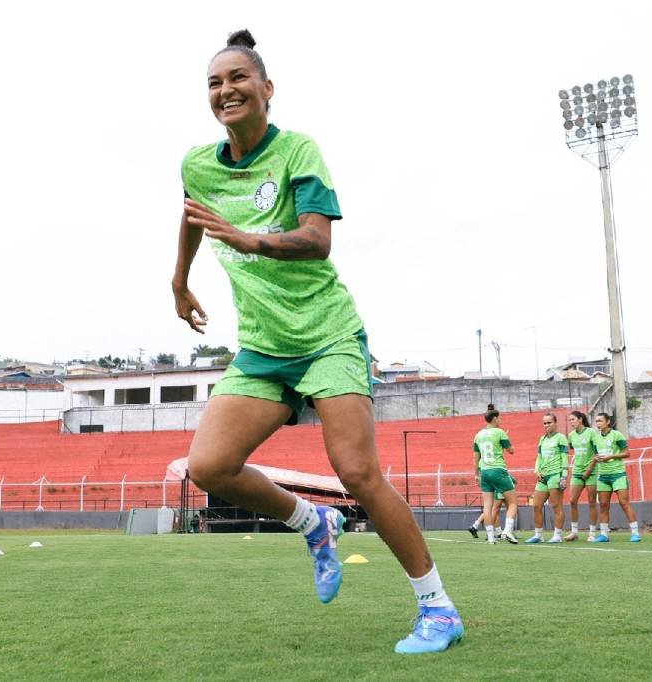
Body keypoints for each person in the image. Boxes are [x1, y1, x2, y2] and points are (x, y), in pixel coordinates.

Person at [173, 29, 462, 655]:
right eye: (215, 83)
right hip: (261, 346)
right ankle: (314, 522)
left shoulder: (298, 150)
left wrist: (249, 240)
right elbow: (193, 213)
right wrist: (179, 280)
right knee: (209, 468)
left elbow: (317, 238)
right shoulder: (197, 162)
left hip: (326, 334)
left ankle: (437, 607)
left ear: (266, 89)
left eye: (238, 79)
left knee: (357, 471)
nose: (226, 90)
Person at [586, 413, 641, 542]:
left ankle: (635, 533)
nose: (598, 424)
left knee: (624, 503)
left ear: (608, 422)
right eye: (596, 421)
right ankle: (604, 535)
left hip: (618, 474)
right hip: (603, 476)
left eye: (600, 421)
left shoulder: (617, 435)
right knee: (604, 505)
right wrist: (596, 459)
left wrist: (611, 457)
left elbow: (627, 453)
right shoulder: (595, 438)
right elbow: (596, 454)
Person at [472, 405, 519, 545]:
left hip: (484, 472)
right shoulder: (500, 432)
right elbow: (511, 451)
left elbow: (475, 457)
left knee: (487, 506)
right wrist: (506, 437)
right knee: (513, 503)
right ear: (494, 419)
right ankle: (507, 531)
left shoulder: (478, 435)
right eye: (499, 418)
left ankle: (491, 538)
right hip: (498, 470)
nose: (500, 420)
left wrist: (476, 474)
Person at [525, 413, 568, 544]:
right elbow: (539, 457)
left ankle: (557, 535)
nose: (547, 425)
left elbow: (564, 458)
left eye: (549, 422)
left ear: (555, 423)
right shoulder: (542, 439)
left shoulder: (561, 438)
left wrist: (564, 476)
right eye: (544, 423)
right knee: (536, 506)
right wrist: (536, 470)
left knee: (556, 506)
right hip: (542, 476)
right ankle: (538, 535)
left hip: (555, 474)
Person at [564, 410, 599, 541]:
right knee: (572, 501)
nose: (571, 422)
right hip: (577, 471)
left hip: (591, 472)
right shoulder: (571, 435)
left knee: (591, 502)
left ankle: (592, 533)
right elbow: (572, 448)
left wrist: (589, 470)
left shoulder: (591, 433)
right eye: (570, 420)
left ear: (580, 419)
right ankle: (574, 532)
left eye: (573, 419)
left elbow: (597, 453)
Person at [468, 473, 516, 541]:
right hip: (500, 490)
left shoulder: (485, 471)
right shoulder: (500, 471)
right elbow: (514, 481)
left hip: (495, 489)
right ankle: (500, 532)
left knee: (494, 510)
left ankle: (477, 526)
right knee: (495, 510)